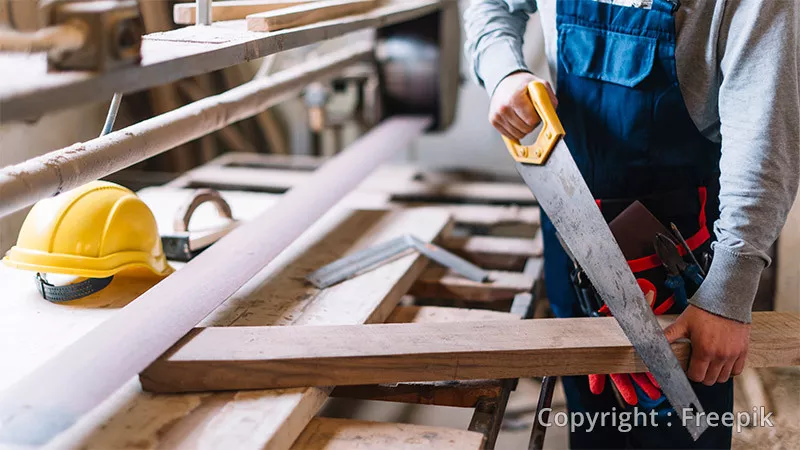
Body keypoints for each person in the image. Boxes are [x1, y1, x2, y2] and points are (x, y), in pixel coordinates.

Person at [464, 0, 799, 448]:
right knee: (592, 427)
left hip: (686, 276)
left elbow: (764, 136)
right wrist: (503, 70)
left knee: (682, 431)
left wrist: (726, 293)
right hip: (572, 242)